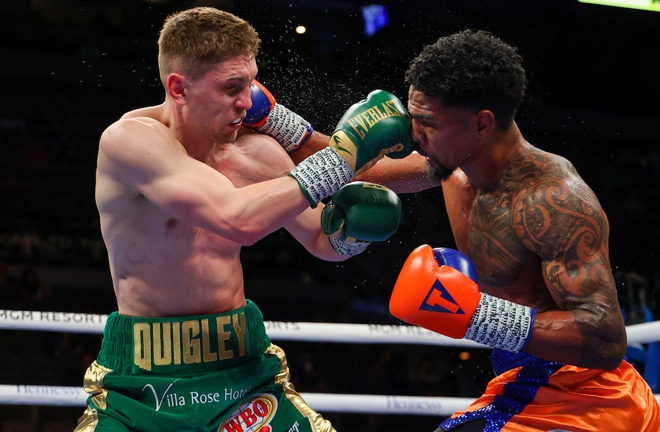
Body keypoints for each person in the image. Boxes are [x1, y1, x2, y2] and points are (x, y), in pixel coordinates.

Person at [74, 6, 414, 432]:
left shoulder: (257, 153)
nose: (248, 100)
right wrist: (346, 152)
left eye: (250, 82)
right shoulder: (130, 142)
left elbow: (321, 239)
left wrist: (355, 231)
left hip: (243, 370)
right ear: (179, 88)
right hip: (142, 378)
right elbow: (236, 219)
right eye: (232, 87)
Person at [372, 29, 660, 431]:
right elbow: (344, 172)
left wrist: (476, 313)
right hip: (522, 385)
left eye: (427, 122)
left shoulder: (551, 199)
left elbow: (606, 339)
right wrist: (275, 122)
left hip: (591, 397)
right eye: (412, 117)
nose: (413, 134)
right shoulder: (451, 169)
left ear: (481, 124)